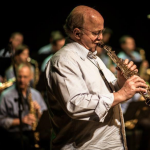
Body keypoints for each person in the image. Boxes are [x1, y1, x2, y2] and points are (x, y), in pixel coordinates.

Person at [44, 5, 148, 150]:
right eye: (95, 33)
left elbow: (106, 94)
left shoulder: (93, 57)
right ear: (77, 33)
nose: (100, 38)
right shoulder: (63, 60)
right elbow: (75, 104)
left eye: (101, 32)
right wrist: (121, 94)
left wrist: (121, 82)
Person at [0, 63, 47, 150]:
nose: (22, 80)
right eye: (19, 76)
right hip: (14, 132)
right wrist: (21, 121)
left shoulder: (35, 94)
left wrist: (38, 112)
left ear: (30, 77)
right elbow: (1, 120)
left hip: (33, 131)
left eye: (25, 77)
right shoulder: (5, 95)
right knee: (24, 141)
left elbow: (45, 118)